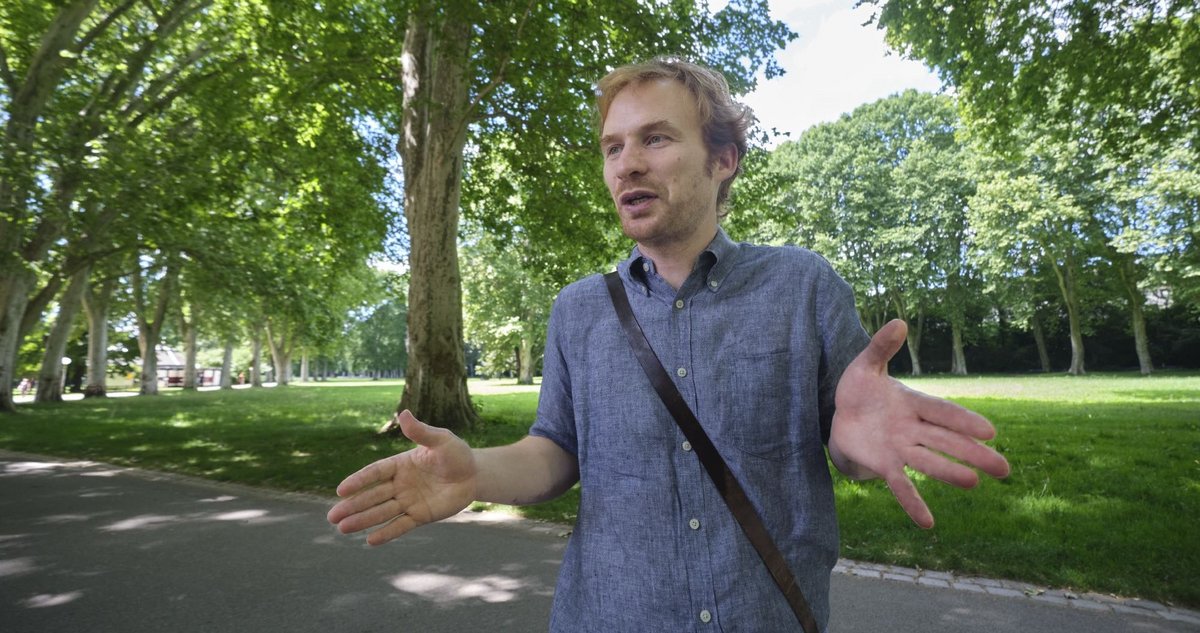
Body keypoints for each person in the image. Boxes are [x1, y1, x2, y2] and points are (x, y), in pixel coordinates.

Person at [328, 57, 1010, 632]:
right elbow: (556, 449)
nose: (628, 165)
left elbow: (852, 445)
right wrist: (475, 470)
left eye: (655, 139)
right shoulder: (579, 310)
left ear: (723, 159)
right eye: (613, 147)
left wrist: (850, 445)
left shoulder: (803, 286)